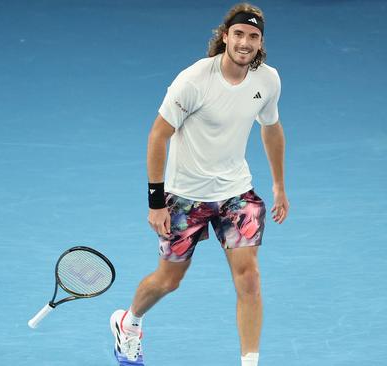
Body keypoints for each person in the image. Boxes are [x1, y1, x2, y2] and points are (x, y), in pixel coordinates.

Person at [110, 3, 288, 366]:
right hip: (184, 197)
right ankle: (129, 322)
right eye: (238, 34)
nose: (245, 42)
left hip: (236, 194)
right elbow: (158, 136)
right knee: (168, 281)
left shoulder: (268, 80)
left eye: (253, 37)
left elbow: (271, 128)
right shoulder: (193, 80)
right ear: (225, 36)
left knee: (249, 279)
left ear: (260, 43)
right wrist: (156, 201)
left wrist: (279, 185)